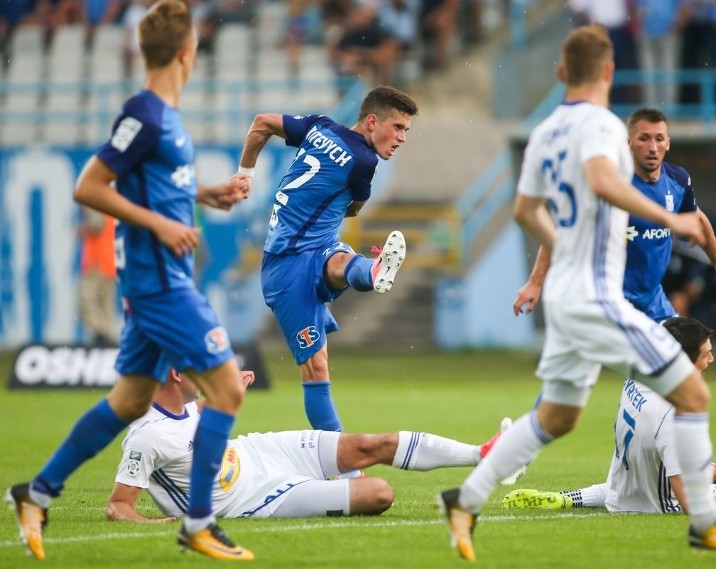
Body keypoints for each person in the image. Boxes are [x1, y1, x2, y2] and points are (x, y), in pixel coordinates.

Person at [438, 25, 716, 563]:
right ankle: (705, 522)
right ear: (610, 73)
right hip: (598, 296)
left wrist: (562, 255)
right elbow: (603, 179)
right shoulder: (601, 127)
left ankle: (465, 497)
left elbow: (526, 212)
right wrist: (668, 220)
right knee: (692, 391)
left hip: (570, 295)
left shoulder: (545, 133)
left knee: (558, 417)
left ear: (560, 74)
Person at [5, 1, 254, 561]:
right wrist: (164, 224)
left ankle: (36, 492)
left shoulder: (165, 115)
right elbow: (90, 186)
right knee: (229, 389)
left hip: (154, 279)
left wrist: (204, 194)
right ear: (187, 52)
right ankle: (199, 522)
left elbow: (154, 183)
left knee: (128, 400)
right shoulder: (144, 113)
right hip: (158, 281)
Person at [234, 85, 417, 449]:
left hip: (316, 247)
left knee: (338, 261)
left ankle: (374, 271)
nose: (401, 138)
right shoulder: (365, 164)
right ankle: (341, 462)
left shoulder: (319, 126)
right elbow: (352, 208)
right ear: (371, 121)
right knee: (315, 368)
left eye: (406, 131)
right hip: (285, 266)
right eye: (397, 127)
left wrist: (245, 174)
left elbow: (261, 123)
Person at [502, 316, 716, 516]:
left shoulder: (638, 376)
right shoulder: (675, 414)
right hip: (652, 503)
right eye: (706, 353)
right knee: (707, 492)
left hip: (623, 486)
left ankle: (565, 498)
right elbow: (690, 504)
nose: (712, 358)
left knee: (625, 484)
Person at [106, 369, 508, 522]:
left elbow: (193, 419)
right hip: (255, 499)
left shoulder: (183, 409)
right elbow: (118, 505)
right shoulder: (146, 437)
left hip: (260, 451)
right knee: (379, 493)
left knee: (370, 444)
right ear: (176, 374)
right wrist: (153, 523)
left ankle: (483, 455)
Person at [514, 107, 716, 324]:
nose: (652, 148)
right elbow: (563, 228)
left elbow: (698, 218)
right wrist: (535, 282)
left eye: (659, 139)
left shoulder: (678, 180)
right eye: (644, 138)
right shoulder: (611, 184)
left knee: (696, 352)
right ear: (628, 142)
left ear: (668, 143)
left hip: (652, 302)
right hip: (610, 300)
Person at [77, 205, 119, 346]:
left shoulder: (96, 201)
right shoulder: (112, 203)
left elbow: (96, 225)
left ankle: (102, 333)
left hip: (97, 261)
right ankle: (108, 337)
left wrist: (82, 229)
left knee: (86, 300)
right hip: (110, 261)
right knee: (105, 303)